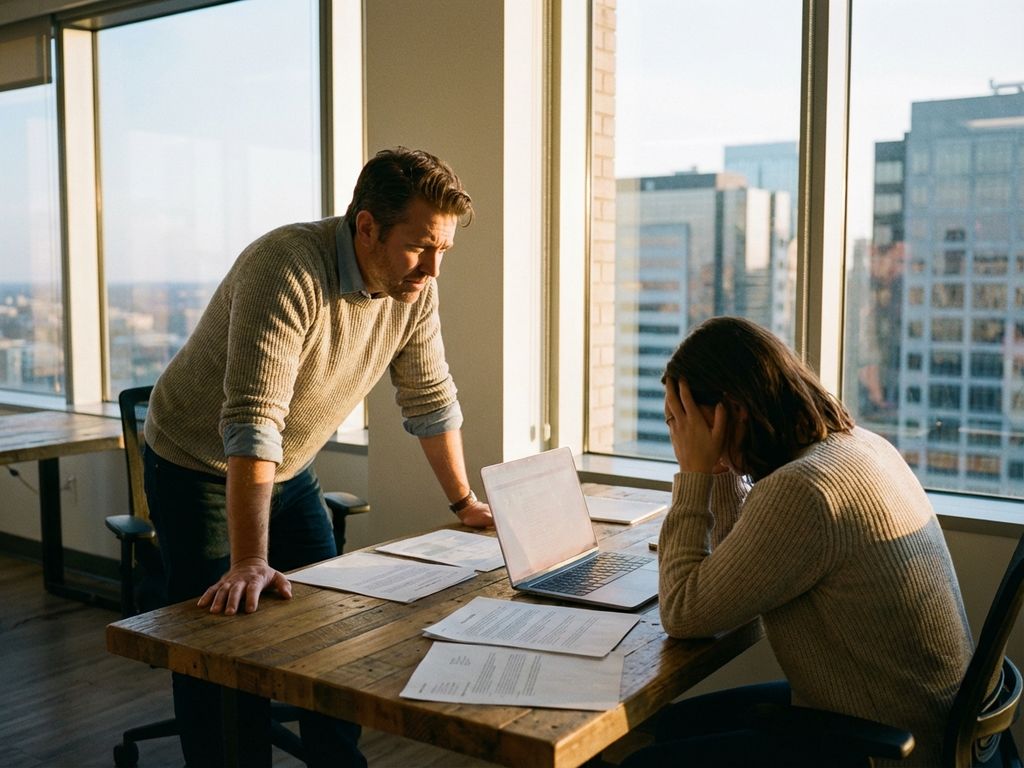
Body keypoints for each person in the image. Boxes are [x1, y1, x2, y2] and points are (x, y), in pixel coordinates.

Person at [141, 147, 493, 768]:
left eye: (444, 251)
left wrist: (463, 502)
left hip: (290, 467)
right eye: (419, 247)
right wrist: (250, 560)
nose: (433, 269)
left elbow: (429, 395)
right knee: (223, 645)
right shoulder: (286, 267)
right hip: (198, 465)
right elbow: (253, 419)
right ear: (366, 227)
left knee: (331, 631)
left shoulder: (413, 287)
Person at [622, 316, 972, 767]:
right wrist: (719, 469)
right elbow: (734, 572)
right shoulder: (860, 445)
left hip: (883, 748)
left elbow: (685, 612)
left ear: (731, 411)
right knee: (667, 726)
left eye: (680, 419)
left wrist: (691, 476)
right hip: (916, 721)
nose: (677, 435)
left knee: (640, 762)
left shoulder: (804, 490)